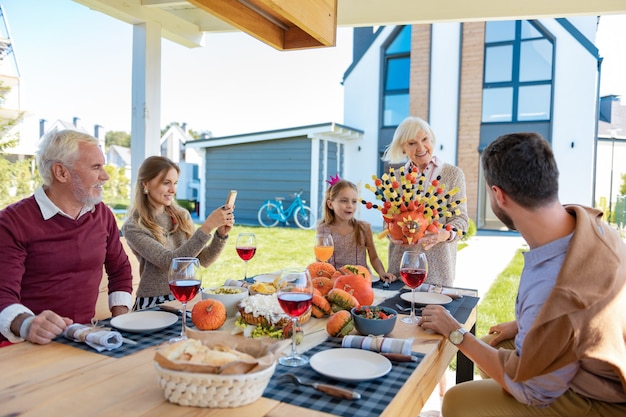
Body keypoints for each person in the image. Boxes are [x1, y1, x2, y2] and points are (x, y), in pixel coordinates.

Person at [421, 132, 626, 417]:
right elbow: (579, 311)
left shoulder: (553, 288)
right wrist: (523, 325)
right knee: (498, 345)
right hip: (605, 356)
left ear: (498, 195)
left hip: (606, 399)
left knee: (457, 400)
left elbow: (533, 390)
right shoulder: (592, 224)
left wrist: (457, 333)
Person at [0, 129, 133, 345]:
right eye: (96, 167)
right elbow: (2, 293)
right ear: (62, 173)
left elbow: (120, 269)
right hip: (25, 345)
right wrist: (27, 325)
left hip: (84, 339)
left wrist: (121, 319)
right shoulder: (12, 222)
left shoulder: (102, 214)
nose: (105, 176)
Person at [122, 156, 234, 310]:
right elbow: (170, 263)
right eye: (166, 183)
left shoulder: (182, 215)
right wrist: (207, 227)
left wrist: (220, 235)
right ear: (145, 184)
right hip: (156, 302)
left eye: (175, 183)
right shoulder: (133, 226)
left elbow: (203, 260)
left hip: (190, 292)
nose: (173, 190)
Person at [382, 116, 469, 287]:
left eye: (424, 139)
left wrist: (444, 234)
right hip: (400, 270)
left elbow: (462, 221)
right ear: (403, 147)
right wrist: (390, 231)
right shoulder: (396, 178)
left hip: (438, 274)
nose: (421, 147)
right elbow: (388, 220)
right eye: (412, 143)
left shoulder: (453, 174)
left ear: (432, 139)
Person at [317, 178, 396, 283]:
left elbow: (374, 257)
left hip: (361, 280)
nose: (350, 205)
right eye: (344, 201)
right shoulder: (324, 229)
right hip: (335, 281)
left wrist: (381, 272)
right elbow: (321, 260)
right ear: (330, 204)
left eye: (354, 201)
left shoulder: (364, 228)